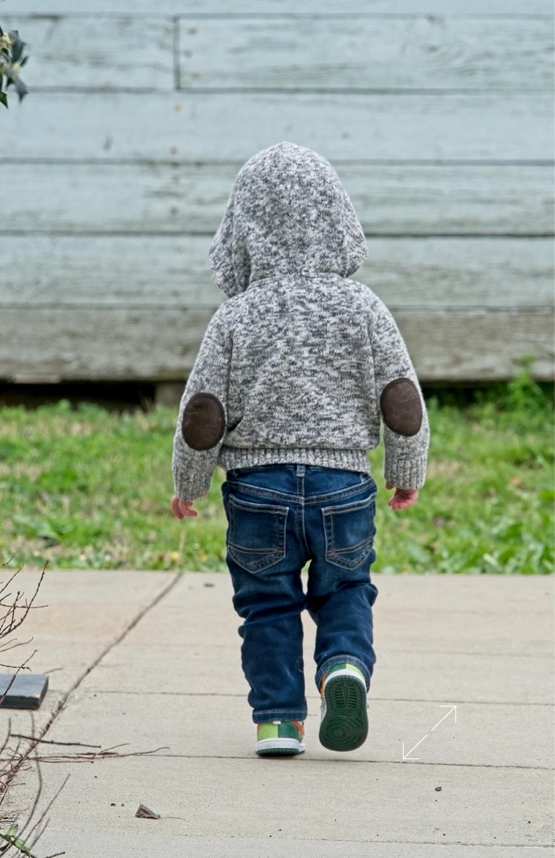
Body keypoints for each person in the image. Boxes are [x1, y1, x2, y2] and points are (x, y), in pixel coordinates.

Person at [170, 142, 429, 757]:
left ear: (240, 232)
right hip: (344, 487)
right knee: (346, 589)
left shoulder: (235, 318)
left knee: (267, 605)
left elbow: (203, 414)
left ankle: (278, 722)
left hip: (258, 490)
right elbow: (401, 398)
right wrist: (406, 469)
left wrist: (188, 483)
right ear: (339, 220)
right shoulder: (364, 308)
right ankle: (343, 666)